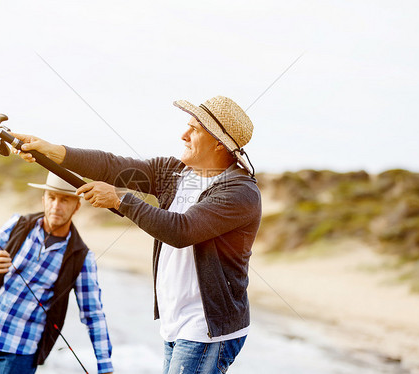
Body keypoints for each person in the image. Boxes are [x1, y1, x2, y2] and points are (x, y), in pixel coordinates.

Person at [15, 95, 261, 374]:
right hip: (174, 322)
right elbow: (112, 167)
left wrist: (120, 200)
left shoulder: (240, 192)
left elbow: (181, 230)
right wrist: (52, 151)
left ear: (219, 143)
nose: (183, 135)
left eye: (194, 129)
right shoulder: (175, 172)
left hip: (206, 327)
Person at [0, 172, 114, 374]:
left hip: (20, 354)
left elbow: (93, 315)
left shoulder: (82, 257)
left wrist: (105, 366)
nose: (56, 206)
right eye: (52, 198)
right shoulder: (17, 224)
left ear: (77, 206)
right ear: (43, 199)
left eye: (65, 200)